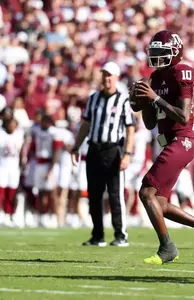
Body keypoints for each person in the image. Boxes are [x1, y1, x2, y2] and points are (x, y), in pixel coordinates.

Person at [133, 30, 194, 264]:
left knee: (146, 192)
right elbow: (151, 122)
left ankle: (167, 247)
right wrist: (143, 102)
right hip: (170, 142)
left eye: (161, 53)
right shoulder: (155, 77)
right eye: (153, 52)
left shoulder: (182, 71)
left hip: (182, 140)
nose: (156, 57)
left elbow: (183, 117)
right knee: (159, 203)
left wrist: (153, 97)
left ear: (175, 53)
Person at [72, 61, 134, 247]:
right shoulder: (93, 99)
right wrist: (76, 146)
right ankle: (97, 235)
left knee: (115, 195)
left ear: (116, 78)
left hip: (113, 150)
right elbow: (86, 125)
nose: (107, 78)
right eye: (104, 74)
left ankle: (120, 235)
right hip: (94, 149)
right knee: (94, 195)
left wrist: (127, 153)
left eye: (110, 75)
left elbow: (130, 128)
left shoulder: (123, 100)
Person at [0, 118, 25, 228]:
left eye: (14, 124)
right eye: (10, 124)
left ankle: (8, 215)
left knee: (11, 193)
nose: (12, 126)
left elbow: (21, 152)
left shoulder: (19, 135)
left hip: (14, 168)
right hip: (1, 166)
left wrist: (22, 165)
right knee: (0, 191)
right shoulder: (0, 135)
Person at [34, 114, 63, 228]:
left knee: (52, 193)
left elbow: (56, 151)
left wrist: (51, 169)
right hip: (39, 163)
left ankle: (55, 217)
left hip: (49, 164)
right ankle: (42, 215)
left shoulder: (54, 133)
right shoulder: (38, 131)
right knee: (40, 191)